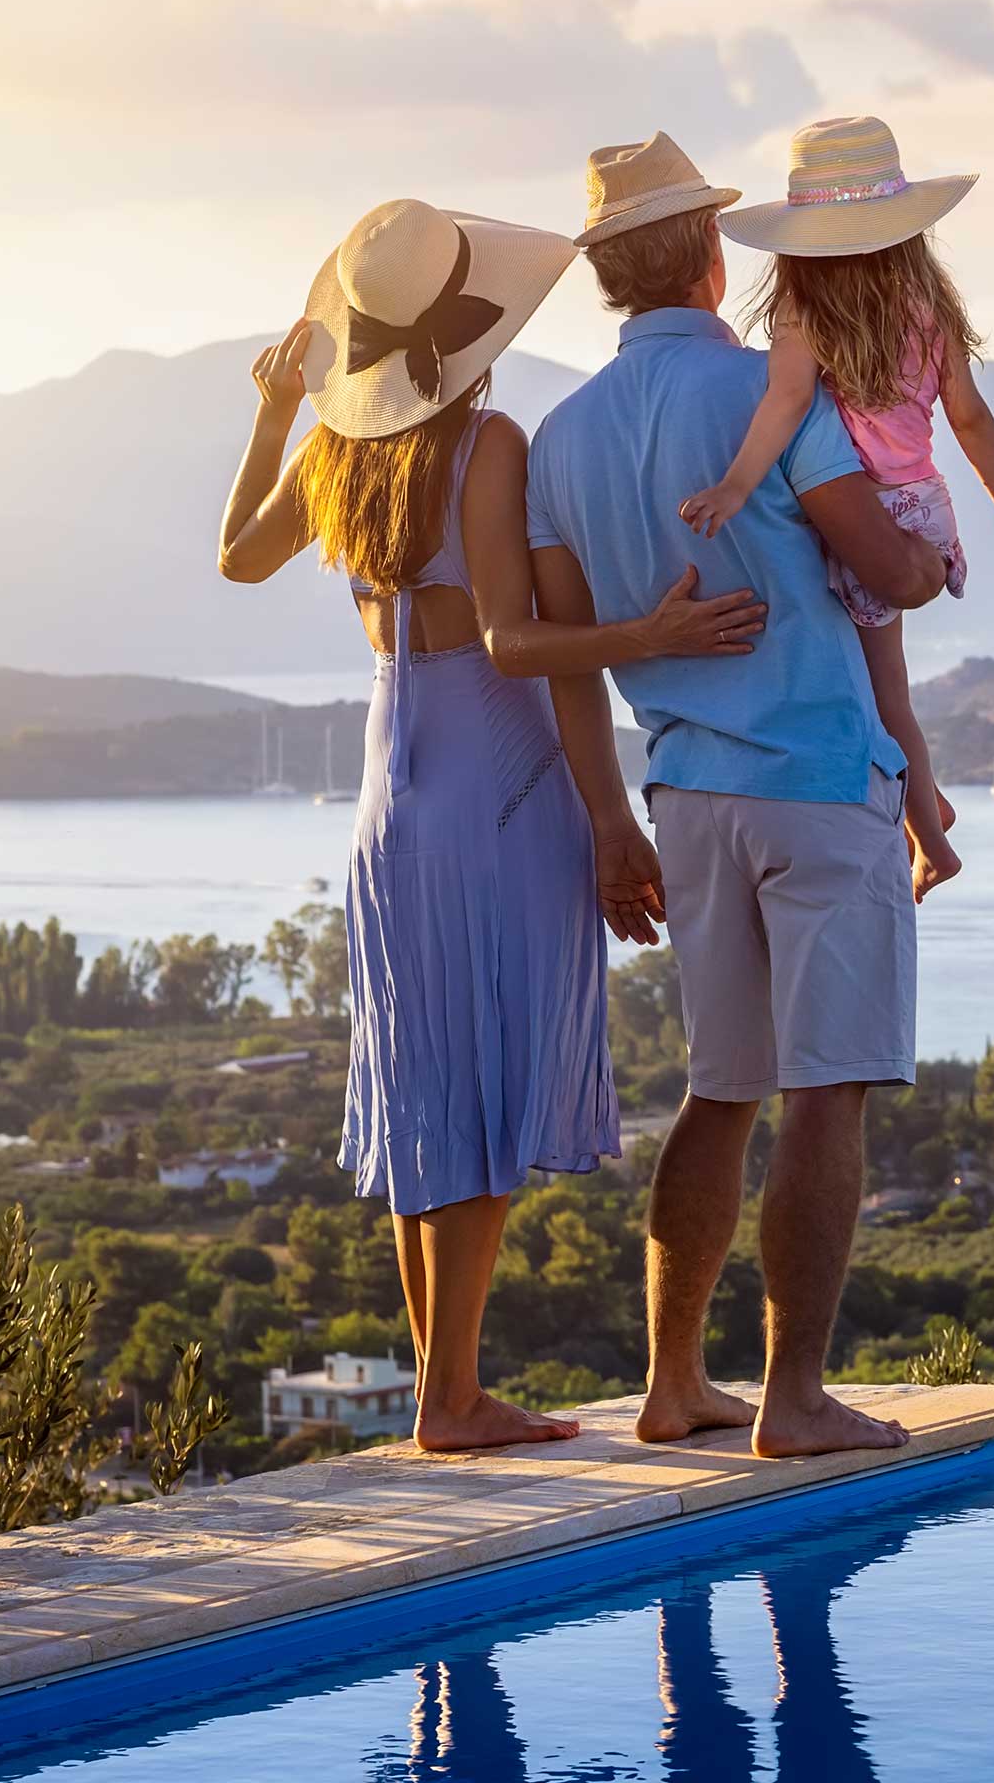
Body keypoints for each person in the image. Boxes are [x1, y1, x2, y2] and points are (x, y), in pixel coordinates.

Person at [218, 198, 760, 1451]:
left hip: (387, 790)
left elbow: (239, 557)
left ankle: (440, 1390)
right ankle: (452, 1397)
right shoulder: (490, 441)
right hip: (492, 781)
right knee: (487, 1083)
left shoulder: (341, 459)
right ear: (473, 340)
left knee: (428, 1089)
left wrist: (273, 410)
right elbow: (524, 646)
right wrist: (651, 639)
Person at [525, 131, 945, 1457]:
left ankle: (671, 1384)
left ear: (607, 277)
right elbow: (878, 554)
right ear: (714, 253)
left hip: (685, 796)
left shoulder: (561, 440)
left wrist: (608, 824)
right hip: (820, 782)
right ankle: (796, 1399)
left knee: (721, 1092)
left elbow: (573, 667)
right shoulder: (773, 388)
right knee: (831, 1093)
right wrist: (931, 559)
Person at [680, 115, 994, 899]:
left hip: (858, 522)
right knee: (885, 687)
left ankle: (930, 837)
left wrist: (736, 487)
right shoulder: (929, 310)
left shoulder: (803, 318)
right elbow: (970, 417)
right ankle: (928, 795)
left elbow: (781, 410)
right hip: (923, 507)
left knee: (880, 694)